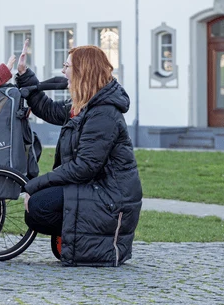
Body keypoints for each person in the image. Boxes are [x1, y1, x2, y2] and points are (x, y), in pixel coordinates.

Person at [15, 41, 143, 267]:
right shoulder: (85, 105)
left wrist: (35, 185)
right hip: (94, 189)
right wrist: (25, 75)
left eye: (67, 66)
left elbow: (84, 167)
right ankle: (76, 239)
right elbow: (50, 110)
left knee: (39, 207)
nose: (63, 70)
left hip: (110, 198)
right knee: (37, 206)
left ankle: (86, 241)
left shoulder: (103, 113)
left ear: (83, 71)